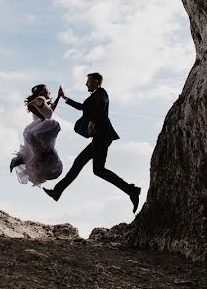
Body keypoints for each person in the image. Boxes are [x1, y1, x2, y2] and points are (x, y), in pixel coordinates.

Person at [43, 73, 141, 212]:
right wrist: (64, 97)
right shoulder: (93, 97)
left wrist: (92, 121)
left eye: (88, 81)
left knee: (86, 165)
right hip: (100, 137)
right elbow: (82, 107)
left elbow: (101, 106)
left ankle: (131, 190)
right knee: (94, 168)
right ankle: (131, 190)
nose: (86, 84)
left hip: (103, 136)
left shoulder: (101, 93)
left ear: (96, 81)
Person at [10, 84, 64, 186]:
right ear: (42, 91)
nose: (49, 93)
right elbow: (30, 105)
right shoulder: (41, 98)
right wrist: (42, 118)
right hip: (39, 133)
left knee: (42, 156)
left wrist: (58, 97)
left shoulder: (43, 102)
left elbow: (51, 110)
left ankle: (20, 160)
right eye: (47, 90)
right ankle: (21, 160)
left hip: (38, 134)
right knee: (49, 157)